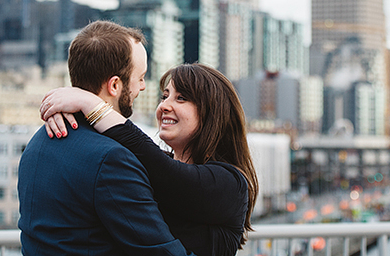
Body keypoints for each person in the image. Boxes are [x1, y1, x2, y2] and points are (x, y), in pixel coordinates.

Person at [41, 61, 259, 256]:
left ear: (213, 113)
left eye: (181, 98)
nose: (164, 106)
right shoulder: (151, 165)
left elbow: (162, 169)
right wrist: (63, 113)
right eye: (164, 97)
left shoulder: (230, 183)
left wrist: (88, 102)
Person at [17, 20, 194, 256]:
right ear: (114, 85)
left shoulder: (38, 142)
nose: (142, 86)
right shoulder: (111, 160)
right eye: (140, 77)